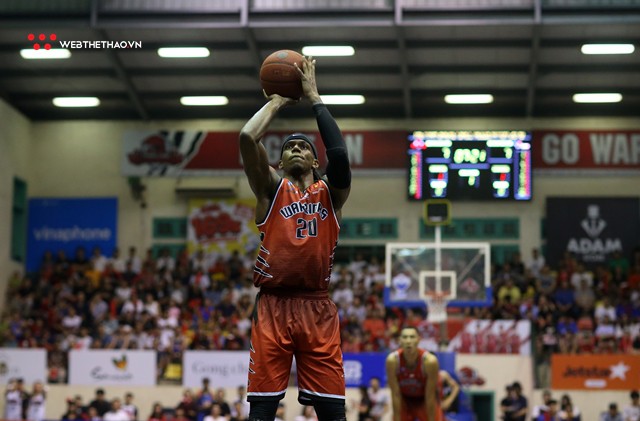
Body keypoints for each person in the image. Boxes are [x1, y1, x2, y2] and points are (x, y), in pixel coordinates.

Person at [239, 54, 352, 421]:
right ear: (280, 162)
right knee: (262, 411)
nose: (297, 150)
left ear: (316, 163)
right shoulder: (271, 189)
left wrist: (315, 97)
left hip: (317, 306)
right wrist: (277, 100)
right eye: (289, 147)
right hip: (273, 305)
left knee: (332, 412)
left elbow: (339, 154)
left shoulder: (330, 193)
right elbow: (246, 137)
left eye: (304, 146)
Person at [386, 326, 440, 421]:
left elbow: (430, 396)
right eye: (405, 337)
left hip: (423, 399)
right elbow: (395, 394)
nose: (408, 341)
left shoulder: (430, 361)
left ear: (418, 340)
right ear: (400, 340)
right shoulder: (392, 360)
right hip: (404, 400)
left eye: (412, 337)